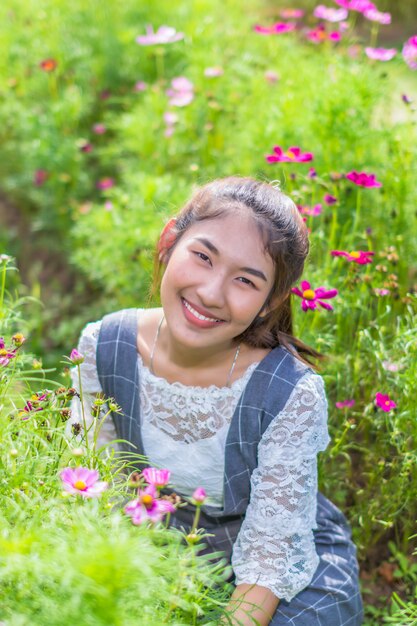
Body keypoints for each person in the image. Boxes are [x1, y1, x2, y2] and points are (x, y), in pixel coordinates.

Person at [70, 177, 363, 625]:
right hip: (157, 539)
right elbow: (97, 487)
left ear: (270, 302)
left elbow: (271, 556)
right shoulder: (105, 346)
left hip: (272, 567)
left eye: (245, 280)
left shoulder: (289, 392)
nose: (210, 292)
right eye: (203, 257)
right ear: (170, 241)